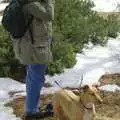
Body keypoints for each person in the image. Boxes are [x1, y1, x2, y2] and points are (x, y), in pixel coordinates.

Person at [12, 0, 54, 119]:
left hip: (31, 46)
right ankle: (31, 111)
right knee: (36, 78)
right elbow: (49, 15)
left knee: (33, 77)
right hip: (35, 48)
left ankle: (32, 107)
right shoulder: (31, 3)